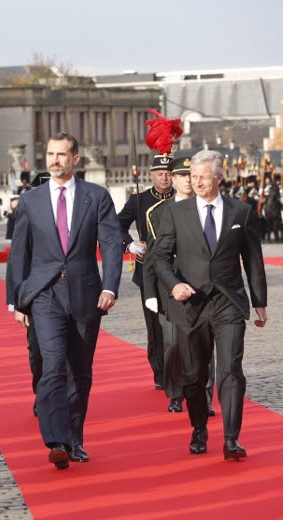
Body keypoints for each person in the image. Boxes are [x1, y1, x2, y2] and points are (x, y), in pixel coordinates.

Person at [10, 132, 122, 469]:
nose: (55, 160)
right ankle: (56, 440)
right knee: (53, 365)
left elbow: (111, 245)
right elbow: (19, 254)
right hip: (45, 294)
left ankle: (74, 439)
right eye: (50, 154)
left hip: (86, 294)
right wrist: (16, 302)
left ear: (75, 159)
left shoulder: (96, 197)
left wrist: (110, 287)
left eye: (61, 154)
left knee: (80, 371)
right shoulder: (30, 201)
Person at [151, 149, 267, 460]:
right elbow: (159, 257)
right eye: (193, 177)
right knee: (194, 373)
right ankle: (199, 428)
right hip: (191, 303)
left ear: (218, 177)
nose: (197, 182)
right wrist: (174, 285)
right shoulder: (175, 213)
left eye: (204, 177)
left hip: (228, 302)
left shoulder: (240, 212)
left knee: (231, 370)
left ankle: (231, 439)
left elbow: (253, 259)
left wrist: (259, 301)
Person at [142, 156, 208, 414]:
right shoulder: (159, 212)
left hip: (202, 286)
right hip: (169, 286)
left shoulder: (207, 206)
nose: (188, 181)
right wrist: (150, 291)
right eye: (181, 176)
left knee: (204, 344)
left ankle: (203, 397)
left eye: (190, 176)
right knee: (173, 344)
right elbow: (154, 255)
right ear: (174, 179)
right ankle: (175, 393)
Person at [117, 145, 175, 391]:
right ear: (151, 174)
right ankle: (160, 371)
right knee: (155, 325)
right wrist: (130, 244)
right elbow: (116, 225)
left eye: (168, 173)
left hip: (178, 268)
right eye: (160, 173)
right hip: (148, 270)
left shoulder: (183, 198)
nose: (164, 178)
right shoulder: (138, 200)